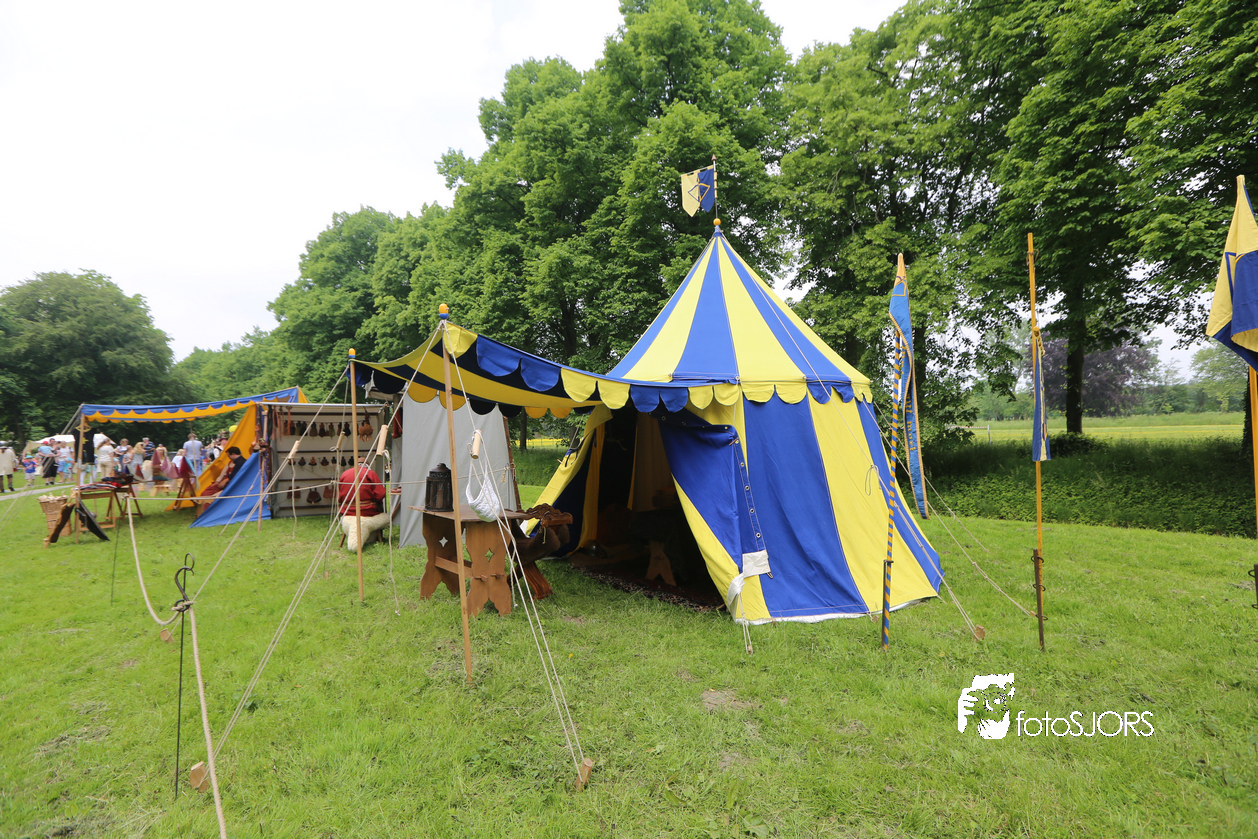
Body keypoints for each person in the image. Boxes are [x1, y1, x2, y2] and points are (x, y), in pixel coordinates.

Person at [337, 458, 389, 550]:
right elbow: (381, 493)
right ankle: (377, 536)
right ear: (367, 465)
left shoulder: (345, 474)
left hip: (347, 511)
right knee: (380, 509)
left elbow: (340, 497)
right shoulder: (370, 473)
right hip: (367, 511)